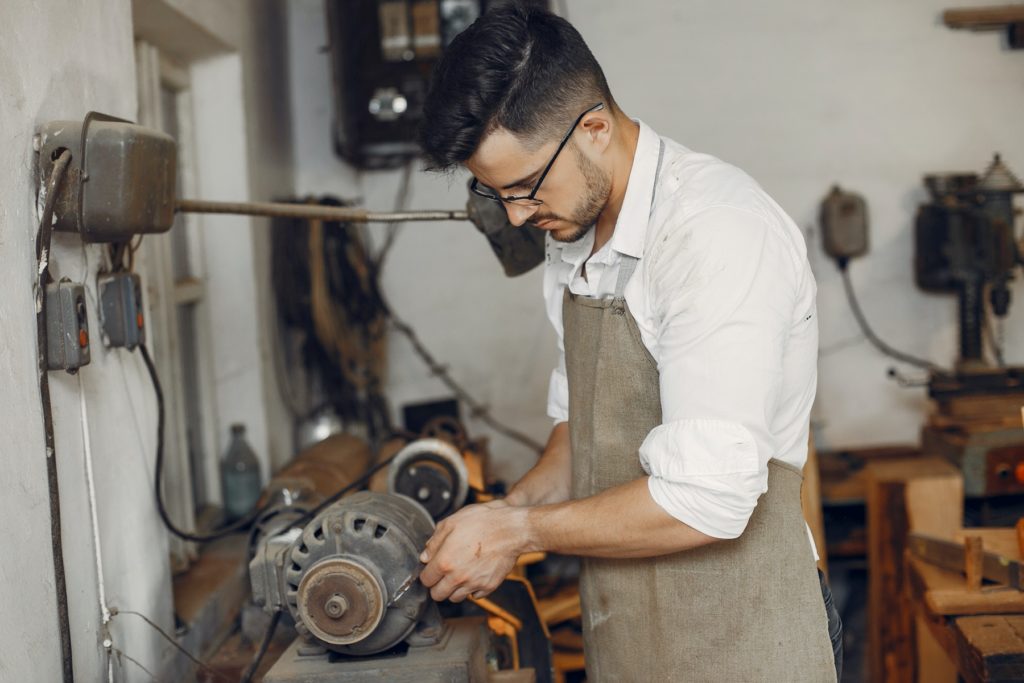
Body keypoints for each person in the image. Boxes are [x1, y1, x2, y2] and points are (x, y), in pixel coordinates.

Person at [416, 3, 841, 681]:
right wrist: (508, 509)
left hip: (745, 640)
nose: (519, 215)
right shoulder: (572, 235)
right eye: (499, 196)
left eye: (525, 187)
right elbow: (581, 429)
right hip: (630, 638)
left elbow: (709, 498)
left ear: (594, 128)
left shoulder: (715, 234)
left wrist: (521, 535)